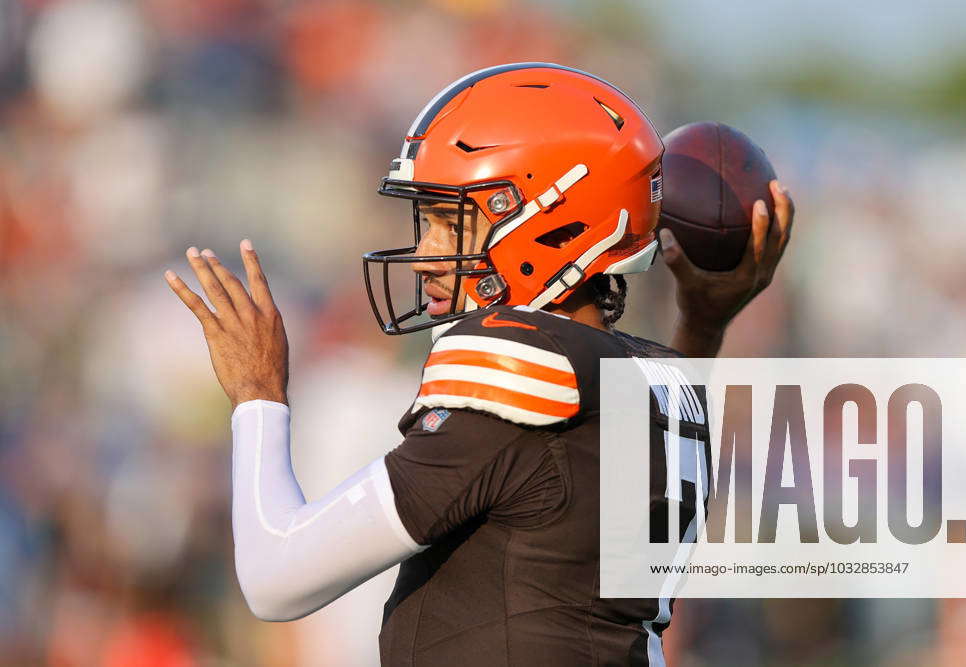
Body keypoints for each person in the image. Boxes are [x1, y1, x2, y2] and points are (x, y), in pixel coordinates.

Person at [165, 63, 793, 666]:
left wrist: (258, 393)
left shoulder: (527, 373)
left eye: (449, 223)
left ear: (552, 223)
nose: (424, 258)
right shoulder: (660, 379)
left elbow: (278, 578)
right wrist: (705, 320)